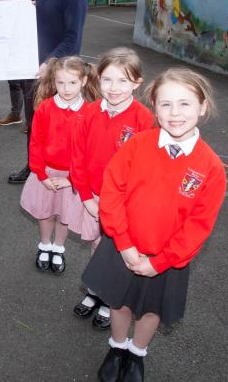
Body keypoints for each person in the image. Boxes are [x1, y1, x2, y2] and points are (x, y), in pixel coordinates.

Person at [82, 68, 226, 382]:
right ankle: (117, 347)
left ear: (202, 107)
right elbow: (112, 192)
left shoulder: (211, 166)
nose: (175, 113)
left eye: (185, 104)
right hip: (124, 247)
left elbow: (199, 225)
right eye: (165, 104)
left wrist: (160, 261)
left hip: (167, 259)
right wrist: (125, 245)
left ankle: (137, 354)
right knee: (118, 301)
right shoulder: (136, 145)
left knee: (150, 309)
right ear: (154, 107)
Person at [70, 47, 154, 331]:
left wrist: (119, 205)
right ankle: (95, 291)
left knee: (115, 251)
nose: (114, 88)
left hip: (121, 205)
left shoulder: (144, 120)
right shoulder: (90, 112)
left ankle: (109, 299)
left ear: (137, 82)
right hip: (92, 198)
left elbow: (144, 171)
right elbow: (77, 157)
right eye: (107, 80)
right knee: (96, 246)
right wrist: (85, 197)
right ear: (98, 80)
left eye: (123, 80)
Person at [8, 0, 89, 184]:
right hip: (34, 67)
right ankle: (35, 166)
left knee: (55, 128)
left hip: (56, 73)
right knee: (35, 125)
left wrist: (48, 64)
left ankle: (59, 171)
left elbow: (72, 38)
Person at [19, 56, 100, 275]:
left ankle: (58, 247)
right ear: (54, 82)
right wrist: (41, 174)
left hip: (72, 176)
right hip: (45, 172)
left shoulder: (91, 112)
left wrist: (72, 179)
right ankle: (45, 245)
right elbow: (35, 143)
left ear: (83, 81)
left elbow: (90, 152)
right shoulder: (45, 108)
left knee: (65, 214)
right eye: (60, 82)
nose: (66, 88)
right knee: (45, 212)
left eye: (72, 83)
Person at [0, 0, 36, 127]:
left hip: (25, 43)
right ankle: (15, 114)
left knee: (27, 83)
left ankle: (31, 120)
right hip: (6, 43)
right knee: (12, 81)